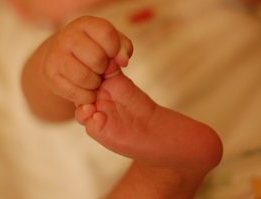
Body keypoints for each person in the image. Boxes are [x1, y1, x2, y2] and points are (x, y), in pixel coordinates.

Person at [21, 15, 223, 198]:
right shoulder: (60, 38)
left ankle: (171, 167)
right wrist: (56, 58)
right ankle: (165, 171)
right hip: (121, 175)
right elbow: (43, 108)